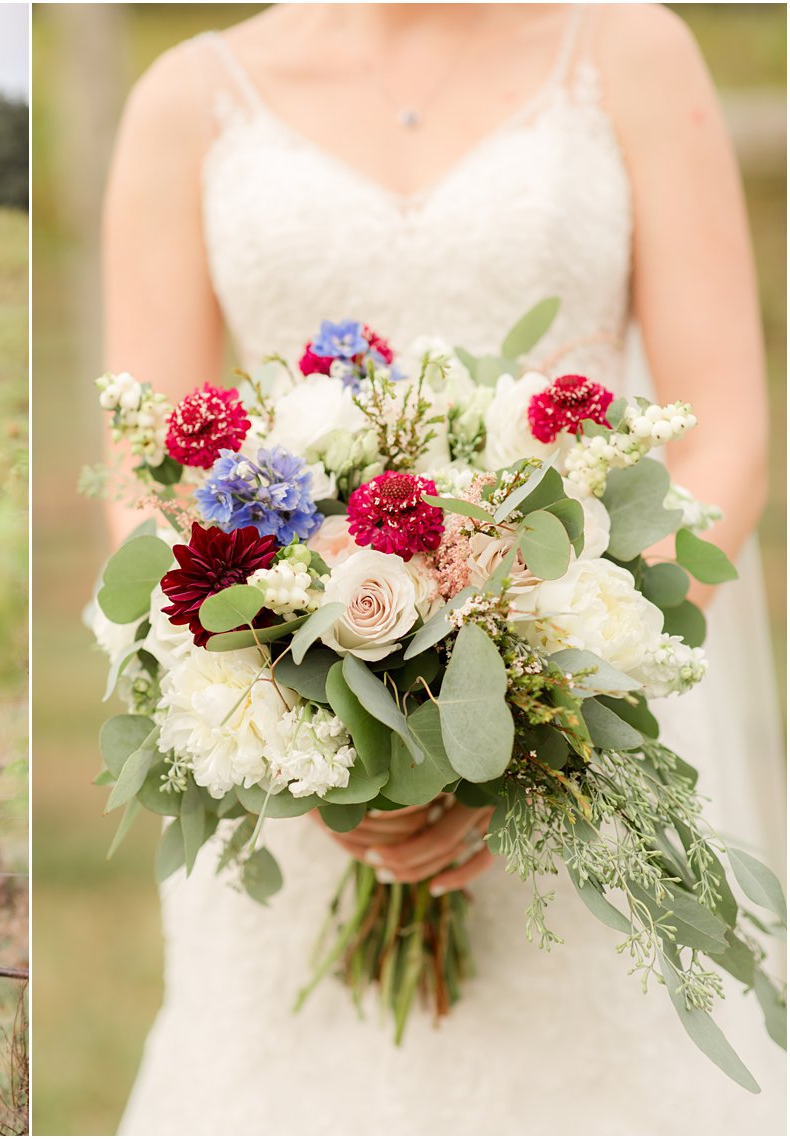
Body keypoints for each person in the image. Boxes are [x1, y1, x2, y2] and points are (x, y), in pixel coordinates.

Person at [101, 5, 785, 1133]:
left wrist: (537, 701)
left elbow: (724, 436)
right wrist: (314, 721)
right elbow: (148, 474)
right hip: (296, 736)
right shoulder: (187, 96)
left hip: (582, 733)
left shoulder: (630, 51)